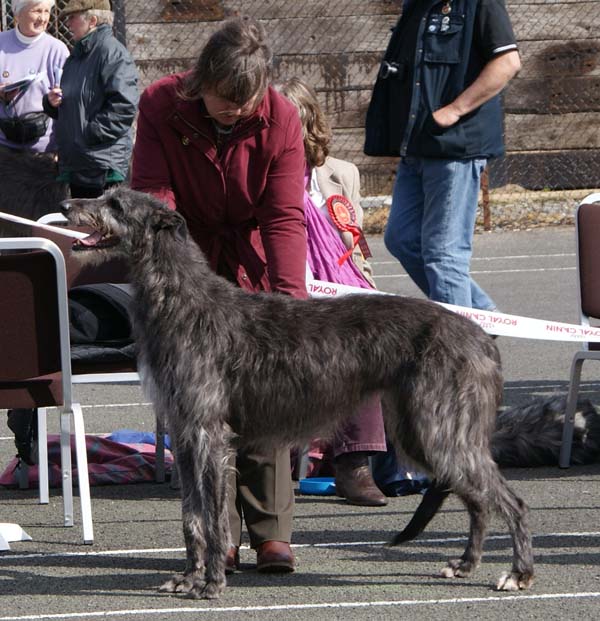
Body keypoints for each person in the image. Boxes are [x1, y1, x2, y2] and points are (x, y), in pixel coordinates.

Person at [131, 17, 305, 574]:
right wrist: (178, 280)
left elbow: (283, 216)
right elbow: (154, 200)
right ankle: (217, 535)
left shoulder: (282, 118)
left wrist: (290, 304)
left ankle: (272, 531)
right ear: (200, 80)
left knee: (266, 391)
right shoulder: (160, 104)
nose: (237, 110)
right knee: (201, 409)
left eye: (247, 100)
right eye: (226, 99)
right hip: (187, 264)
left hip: (252, 263)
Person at [364, 0, 521, 311]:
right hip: (417, 148)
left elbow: (507, 63)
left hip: (454, 150)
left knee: (443, 255)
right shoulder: (416, 7)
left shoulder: (480, 4)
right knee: (402, 238)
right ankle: (480, 319)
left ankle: (461, 352)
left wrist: (454, 110)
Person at [277, 77, 387, 507]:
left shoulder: (342, 175)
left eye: (293, 122)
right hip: (279, 301)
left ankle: (354, 465)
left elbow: (358, 256)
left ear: (308, 124)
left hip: (339, 300)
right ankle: (276, 466)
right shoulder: (255, 175)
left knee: (361, 344)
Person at [43, 0, 138, 199]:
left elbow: (124, 107)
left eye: (73, 18)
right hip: (80, 162)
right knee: (80, 228)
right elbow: (77, 104)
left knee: (102, 227)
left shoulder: (112, 53)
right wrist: (52, 103)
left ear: (92, 20)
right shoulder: (76, 57)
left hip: (102, 166)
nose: (68, 24)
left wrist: (87, 134)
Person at [0, 0, 68, 153]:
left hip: (44, 150)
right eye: (37, 11)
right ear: (18, 14)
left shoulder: (57, 50)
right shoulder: (1, 43)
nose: (43, 18)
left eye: (46, 11)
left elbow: (68, 104)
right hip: (4, 148)